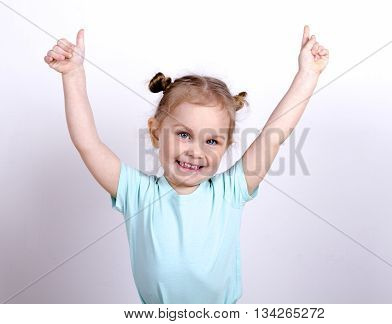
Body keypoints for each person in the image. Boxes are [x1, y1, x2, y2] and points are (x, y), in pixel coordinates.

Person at [44, 25, 329, 303]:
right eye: (184, 134)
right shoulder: (137, 192)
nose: (196, 151)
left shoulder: (230, 190)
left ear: (226, 147)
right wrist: (73, 75)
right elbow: (88, 144)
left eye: (212, 141)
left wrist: (308, 74)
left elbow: (273, 136)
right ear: (156, 132)